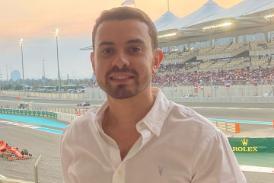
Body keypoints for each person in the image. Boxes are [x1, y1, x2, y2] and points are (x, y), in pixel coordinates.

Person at [61, 7, 246, 183]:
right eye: (107, 51)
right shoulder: (75, 138)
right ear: (94, 62)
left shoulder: (202, 139)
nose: (120, 61)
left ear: (156, 60)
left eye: (134, 49)